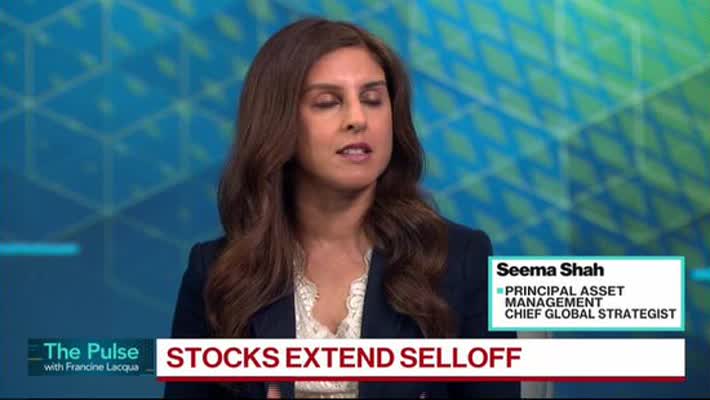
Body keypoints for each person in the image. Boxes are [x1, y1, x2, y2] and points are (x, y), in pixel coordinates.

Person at [165, 17, 520, 399]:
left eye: (372, 99)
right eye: (328, 102)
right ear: (278, 122)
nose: (357, 119)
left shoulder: (460, 260)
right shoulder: (216, 273)